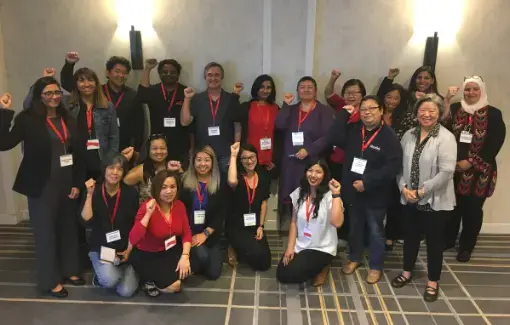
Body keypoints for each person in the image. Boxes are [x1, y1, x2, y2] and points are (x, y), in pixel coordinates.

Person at [0, 80, 85, 298]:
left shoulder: (68, 118)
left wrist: (77, 183)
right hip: (42, 185)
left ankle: (70, 270)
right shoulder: (28, 119)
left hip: (67, 182)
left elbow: (78, 154)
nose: (54, 97)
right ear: (39, 95)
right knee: (46, 233)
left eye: (57, 92)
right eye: (48, 93)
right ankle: (50, 280)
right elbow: (4, 142)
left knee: (68, 229)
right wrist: (4, 112)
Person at [328, 95, 402, 284]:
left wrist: (367, 182)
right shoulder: (355, 130)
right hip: (352, 190)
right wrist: (344, 115)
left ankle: (376, 267)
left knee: (376, 231)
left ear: (381, 110)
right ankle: (354, 258)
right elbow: (334, 137)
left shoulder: (389, 136)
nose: (367, 112)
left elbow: (392, 167)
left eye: (371, 108)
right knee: (355, 227)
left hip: (375, 193)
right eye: (363, 109)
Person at [392, 94, 457, 302]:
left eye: (432, 111)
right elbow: (399, 166)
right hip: (410, 198)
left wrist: (421, 191)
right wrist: (403, 188)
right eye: (422, 111)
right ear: (416, 113)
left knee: (434, 244)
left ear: (439, 114)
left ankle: (432, 281)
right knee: (410, 239)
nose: (427, 114)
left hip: (435, 201)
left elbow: (447, 172)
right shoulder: (409, 134)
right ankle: (407, 272)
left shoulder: (446, 137)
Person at [445, 76, 506, 262]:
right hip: (454, 169)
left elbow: (495, 143)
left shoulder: (493, 114)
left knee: (472, 210)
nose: (471, 93)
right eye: (467, 89)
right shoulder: (456, 109)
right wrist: (446, 100)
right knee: (453, 208)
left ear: (482, 91)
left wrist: (470, 162)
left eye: (475, 89)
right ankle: (448, 240)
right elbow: (443, 126)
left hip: (480, 172)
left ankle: (466, 247)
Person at [60, 52, 145, 156]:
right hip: (101, 146)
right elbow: (68, 84)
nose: (121, 75)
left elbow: (140, 125)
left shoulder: (133, 95)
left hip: (126, 148)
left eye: (124, 72)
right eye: (117, 71)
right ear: (108, 73)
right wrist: (69, 65)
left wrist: (137, 148)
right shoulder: (96, 92)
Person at [275, 76, 334, 222]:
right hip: (291, 162)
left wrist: (309, 150)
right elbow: (279, 125)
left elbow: (328, 136)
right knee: (292, 199)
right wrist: (286, 105)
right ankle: (294, 231)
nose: (306, 90)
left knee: (310, 197)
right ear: (297, 90)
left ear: (315, 91)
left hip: (312, 162)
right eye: (302, 87)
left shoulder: (324, 111)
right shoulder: (292, 109)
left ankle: (310, 229)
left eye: (309, 87)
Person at [276, 160, 344, 286]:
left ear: (325, 175)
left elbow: (337, 223)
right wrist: (290, 248)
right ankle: (313, 265)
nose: (313, 175)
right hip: (302, 245)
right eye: (310, 170)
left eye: (318, 172)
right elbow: (293, 222)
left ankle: (324, 266)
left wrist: (336, 194)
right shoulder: (299, 193)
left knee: (292, 274)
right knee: (282, 273)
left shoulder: (330, 196)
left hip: (322, 247)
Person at [81, 152, 139, 297]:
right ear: (104, 169)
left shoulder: (131, 193)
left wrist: (129, 250)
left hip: (124, 250)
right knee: (110, 280)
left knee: (126, 291)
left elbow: (136, 225)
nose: (115, 172)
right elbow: (85, 221)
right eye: (111, 168)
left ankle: (122, 267)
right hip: (101, 249)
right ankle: (106, 272)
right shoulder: (94, 190)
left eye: (119, 169)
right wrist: (88, 195)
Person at [129, 170, 193, 297]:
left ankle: (160, 277)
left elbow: (186, 233)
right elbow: (133, 238)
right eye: (163, 187)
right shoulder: (147, 207)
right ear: (156, 189)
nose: (169, 191)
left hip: (169, 250)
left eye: (172, 187)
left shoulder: (179, 205)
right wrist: (147, 214)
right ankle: (148, 280)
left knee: (194, 261)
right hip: (148, 255)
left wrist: (185, 256)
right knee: (175, 286)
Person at [324, 69, 366, 245]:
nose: (351, 95)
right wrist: (333, 78)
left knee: (352, 199)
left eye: (355, 92)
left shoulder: (366, 111)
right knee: (336, 196)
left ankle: (350, 236)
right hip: (336, 160)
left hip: (356, 163)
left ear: (363, 95)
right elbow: (328, 94)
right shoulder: (342, 106)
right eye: (348, 92)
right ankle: (337, 233)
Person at [180, 62, 243, 175]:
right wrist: (187, 99)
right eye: (210, 75)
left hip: (225, 153)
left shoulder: (231, 98)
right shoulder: (197, 99)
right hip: (203, 155)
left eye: (217, 75)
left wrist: (235, 151)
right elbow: (185, 122)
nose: (213, 78)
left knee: (226, 187)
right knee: (205, 186)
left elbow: (237, 125)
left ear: (222, 77)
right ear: (205, 77)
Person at [176, 145, 226, 280]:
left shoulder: (220, 183)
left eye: (207, 160)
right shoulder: (183, 181)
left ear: (213, 162)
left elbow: (221, 213)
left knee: (214, 273)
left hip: (209, 234)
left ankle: (197, 261)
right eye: (199, 160)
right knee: (202, 256)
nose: (203, 164)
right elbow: (179, 212)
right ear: (193, 162)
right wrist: (189, 235)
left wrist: (205, 234)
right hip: (188, 234)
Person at [138, 58, 192, 166]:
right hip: (157, 143)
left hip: (180, 143)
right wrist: (147, 69)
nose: (169, 74)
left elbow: (189, 120)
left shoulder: (185, 91)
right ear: (159, 74)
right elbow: (142, 95)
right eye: (165, 72)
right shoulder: (154, 90)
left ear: (178, 74)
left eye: (173, 72)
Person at [226, 142, 272, 271]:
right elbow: (231, 181)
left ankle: (240, 249)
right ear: (240, 161)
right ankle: (232, 246)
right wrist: (233, 156)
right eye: (245, 158)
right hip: (237, 226)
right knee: (255, 254)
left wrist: (261, 226)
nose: (249, 161)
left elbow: (264, 203)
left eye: (252, 157)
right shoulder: (237, 177)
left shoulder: (263, 176)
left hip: (254, 225)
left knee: (265, 263)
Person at [376, 80, 408, 250]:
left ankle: (390, 236)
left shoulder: (405, 117)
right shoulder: (376, 113)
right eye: (389, 97)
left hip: (395, 163)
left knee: (393, 201)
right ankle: (373, 233)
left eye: (396, 98)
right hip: (374, 162)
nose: (392, 101)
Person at [239, 74, 281, 175]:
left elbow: (280, 136)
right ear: (256, 88)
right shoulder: (246, 107)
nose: (265, 90)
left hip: (270, 159)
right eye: (262, 87)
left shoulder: (276, 108)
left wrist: (275, 159)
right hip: (250, 157)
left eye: (268, 87)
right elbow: (238, 129)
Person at [124, 134, 170, 203]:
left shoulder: (172, 167)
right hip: (147, 211)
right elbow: (121, 184)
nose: (159, 152)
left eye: (162, 148)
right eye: (154, 149)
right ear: (148, 150)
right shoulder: (141, 170)